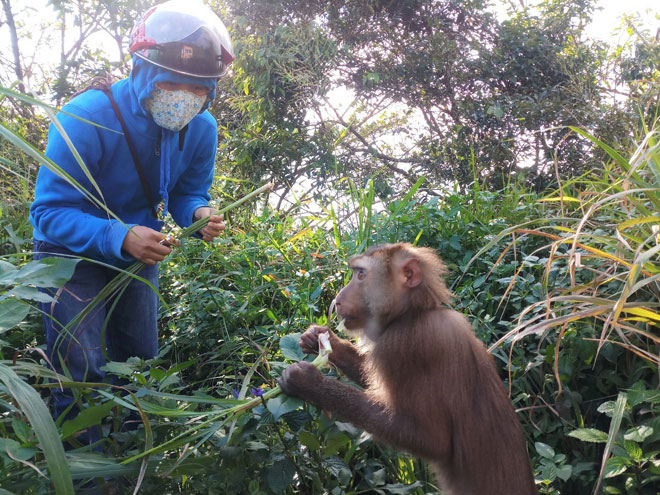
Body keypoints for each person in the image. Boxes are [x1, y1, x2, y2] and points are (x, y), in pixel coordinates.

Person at [30, 0, 234, 448]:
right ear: (141, 71)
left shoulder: (201, 130)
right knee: (81, 369)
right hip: (70, 256)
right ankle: (86, 473)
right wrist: (118, 235)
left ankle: (134, 461)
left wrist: (198, 216)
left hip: (139, 255)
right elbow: (48, 213)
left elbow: (187, 194)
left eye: (198, 89)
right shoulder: (86, 117)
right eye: (171, 83)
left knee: (141, 362)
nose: (184, 96)